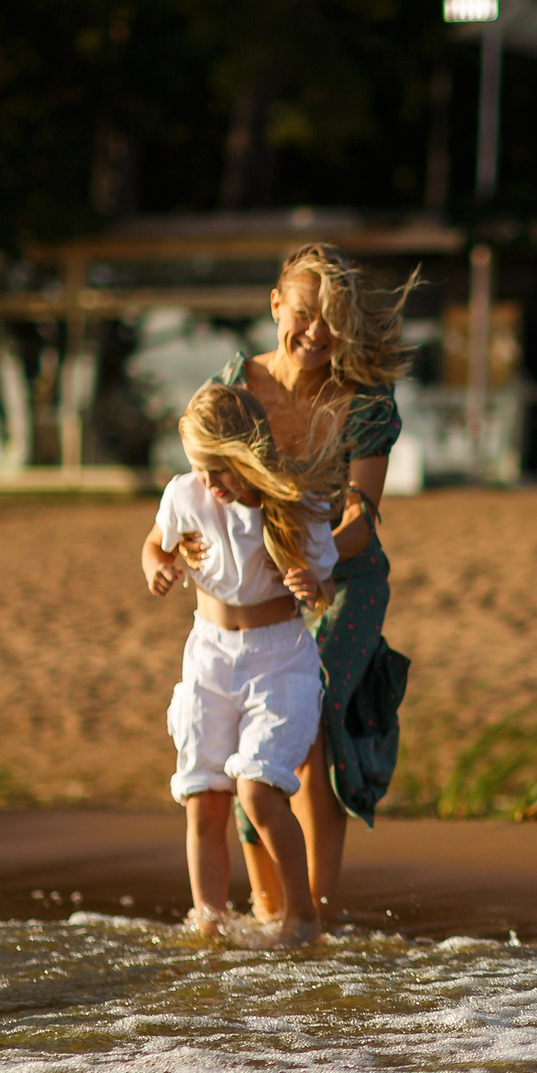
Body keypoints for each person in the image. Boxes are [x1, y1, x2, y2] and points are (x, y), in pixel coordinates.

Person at [210, 244, 414, 929]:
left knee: (313, 715)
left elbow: (363, 512)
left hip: (346, 578)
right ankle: (272, 908)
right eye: (304, 314)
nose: (317, 332)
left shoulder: (366, 399)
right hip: (267, 585)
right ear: (276, 307)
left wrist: (322, 560)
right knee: (257, 731)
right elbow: (206, 481)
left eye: (332, 319)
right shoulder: (237, 387)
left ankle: (315, 910)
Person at [139, 384, 337, 945]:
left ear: (245, 453)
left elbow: (323, 590)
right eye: (200, 470)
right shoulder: (185, 495)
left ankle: (301, 918)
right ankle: (210, 922)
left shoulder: (294, 503)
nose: (209, 483)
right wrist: (156, 566)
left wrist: (311, 584)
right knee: (202, 798)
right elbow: (154, 543)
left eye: (218, 469)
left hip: (279, 660)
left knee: (257, 791)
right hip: (208, 658)